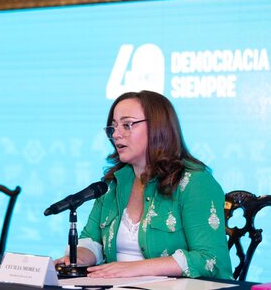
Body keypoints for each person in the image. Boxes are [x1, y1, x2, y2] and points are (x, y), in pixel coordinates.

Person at [55, 90, 232, 279]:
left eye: (127, 125)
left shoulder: (195, 182)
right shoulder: (112, 184)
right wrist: (77, 258)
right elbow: (92, 240)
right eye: (113, 127)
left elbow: (210, 259)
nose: (116, 134)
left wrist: (135, 268)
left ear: (158, 127)